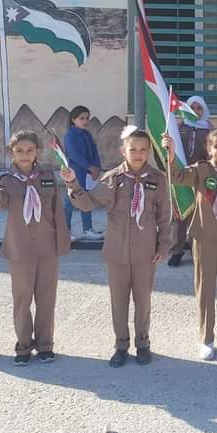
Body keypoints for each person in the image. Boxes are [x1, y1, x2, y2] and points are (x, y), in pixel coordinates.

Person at [63, 127, 170, 367]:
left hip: (145, 251)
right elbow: (87, 203)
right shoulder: (112, 179)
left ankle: (143, 343)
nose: (138, 154)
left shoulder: (158, 179)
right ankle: (121, 345)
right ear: (123, 151)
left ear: (149, 151)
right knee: (118, 301)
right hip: (117, 251)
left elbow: (164, 216)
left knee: (143, 301)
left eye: (143, 150)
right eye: (133, 149)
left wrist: (163, 245)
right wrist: (72, 184)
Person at [162, 127, 217, 360]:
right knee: (205, 288)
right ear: (209, 149)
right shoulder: (201, 170)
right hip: (205, 238)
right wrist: (170, 155)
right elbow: (177, 177)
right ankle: (206, 339)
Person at [0, 131, 70, 365]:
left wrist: (62, 241)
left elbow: (57, 211)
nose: (25, 155)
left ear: (37, 152)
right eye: (19, 151)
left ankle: (45, 345)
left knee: (46, 298)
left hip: (47, 248)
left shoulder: (47, 177)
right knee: (22, 300)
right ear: (11, 153)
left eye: (30, 150)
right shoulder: (6, 181)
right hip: (19, 250)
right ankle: (23, 345)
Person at [168, 95, 212, 267]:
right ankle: (177, 251)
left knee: (198, 215)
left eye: (199, 108)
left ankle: (196, 249)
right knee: (179, 214)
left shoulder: (209, 129)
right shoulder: (180, 127)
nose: (195, 111)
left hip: (200, 176)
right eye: (192, 108)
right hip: (181, 175)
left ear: (204, 110)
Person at [63, 105, 102, 240]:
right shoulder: (70, 135)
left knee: (86, 199)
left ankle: (87, 229)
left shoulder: (87, 134)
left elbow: (94, 152)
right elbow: (74, 155)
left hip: (88, 174)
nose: (85, 121)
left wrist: (97, 168)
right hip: (75, 173)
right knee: (70, 201)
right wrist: (89, 167)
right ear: (73, 119)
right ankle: (65, 231)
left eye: (87, 118)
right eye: (82, 118)